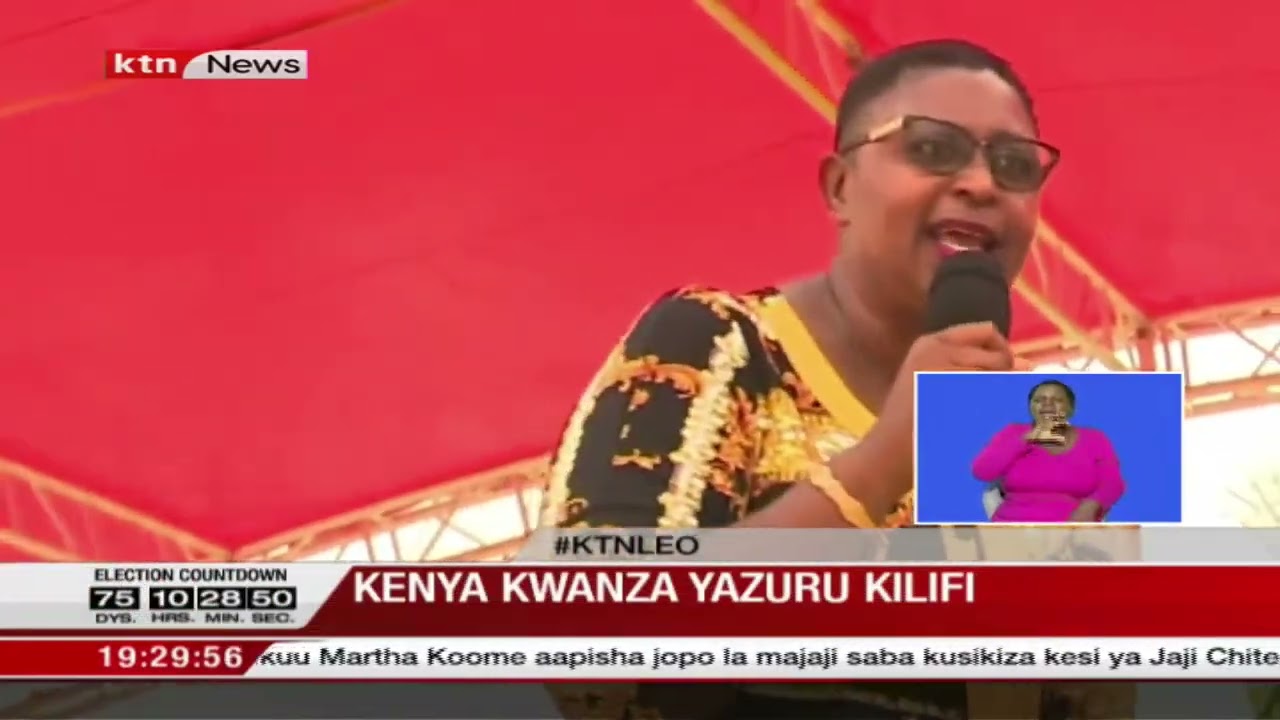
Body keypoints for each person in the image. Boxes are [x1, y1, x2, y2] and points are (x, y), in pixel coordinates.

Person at [538, 39, 1111, 719]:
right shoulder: (716, 342)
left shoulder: (1047, 443)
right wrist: (885, 461)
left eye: (1014, 165)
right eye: (933, 149)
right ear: (840, 187)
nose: (982, 184)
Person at [972, 379, 1126, 523]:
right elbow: (982, 472)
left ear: (1071, 408)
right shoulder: (1013, 432)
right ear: (1031, 407)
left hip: (1073, 529)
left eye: (1057, 400)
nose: (1047, 405)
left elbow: (1113, 483)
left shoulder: (1094, 438)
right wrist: (1027, 438)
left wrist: (1092, 505)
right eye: (1039, 400)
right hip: (1013, 524)